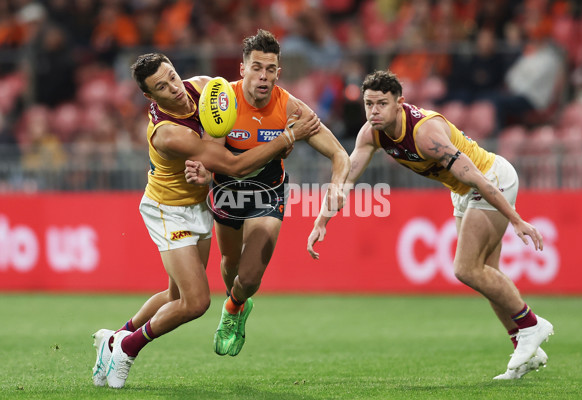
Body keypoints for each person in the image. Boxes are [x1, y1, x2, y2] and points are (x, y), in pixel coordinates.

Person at [91, 52, 320, 389]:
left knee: (175, 297)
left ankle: (115, 337)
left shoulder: (202, 88)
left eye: (171, 75)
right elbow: (235, 165)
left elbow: (238, 113)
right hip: (169, 210)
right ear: (148, 96)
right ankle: (128, 347)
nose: (174, 88)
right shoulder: (168, 133)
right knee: (196, 302)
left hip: (200, 206)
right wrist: (286, 138)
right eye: (162, 87)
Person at [306, 70, 553, 380]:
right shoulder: (371, 133)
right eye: (369, 104)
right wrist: (321, 220)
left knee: (466, 268)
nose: (373, 111)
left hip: (491, 179)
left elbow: (475, 175)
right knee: (488, 273)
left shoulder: (425, 133)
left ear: (400, 103)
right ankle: (524, 346)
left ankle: (531, 325)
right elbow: (345, 179)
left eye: (382, 104)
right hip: (462, 192)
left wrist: (516, 219)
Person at [184, 29, 350, 357]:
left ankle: (233, 309)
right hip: (227, 190)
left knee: (248, 278)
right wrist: (204, 172)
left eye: (270, 69)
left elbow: (340, 155)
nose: (263, 76)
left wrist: (337, 187)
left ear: (278, 72)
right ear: (243, 68)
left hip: (267, 194)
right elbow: (217, 158)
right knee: (230, 266)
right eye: (257, 67)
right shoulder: (223, 102)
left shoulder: (290, 108)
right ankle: (238, 302)